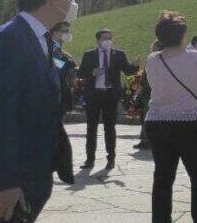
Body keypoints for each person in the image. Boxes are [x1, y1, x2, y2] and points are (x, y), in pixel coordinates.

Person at [0, 0, 75, 221]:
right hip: (9, 188)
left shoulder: (41, 40)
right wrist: (5, 182)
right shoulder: (7, 41)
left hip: (32, 178)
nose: (74, 0)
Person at [143, 12, 197, 223]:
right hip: (191, 123)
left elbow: (154, 84)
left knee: (163, 178)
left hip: (158, 122)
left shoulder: (153, 60)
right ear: (182, 35)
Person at [78, 28, 140, 170]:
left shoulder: (118, 54)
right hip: (94, 95)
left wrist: (135, 66)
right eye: (105, 38)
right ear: (98, 40)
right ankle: (89, 159)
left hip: (110, 95)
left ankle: (111, 159)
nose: (108, 41)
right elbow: (81, 73)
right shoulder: (89, 55)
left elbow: (127, 70)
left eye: (110, 38)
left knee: (109, 128)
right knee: (91, 128)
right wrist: (92, 72)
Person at [134, 39, 162, 151]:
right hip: (160, 92)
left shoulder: (152, 59)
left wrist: (138, 92)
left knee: (146, 117)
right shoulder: (167, 58)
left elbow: (144, 78)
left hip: (148, 93)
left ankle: (146, 140)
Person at [49, 21, 78, 114]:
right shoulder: (50, 47)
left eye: (69, 31)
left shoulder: (58, 49)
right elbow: (53, 65)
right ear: (55, 33)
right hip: (53, 93)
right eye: (65, 31)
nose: (69, 33)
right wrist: (67, 62)